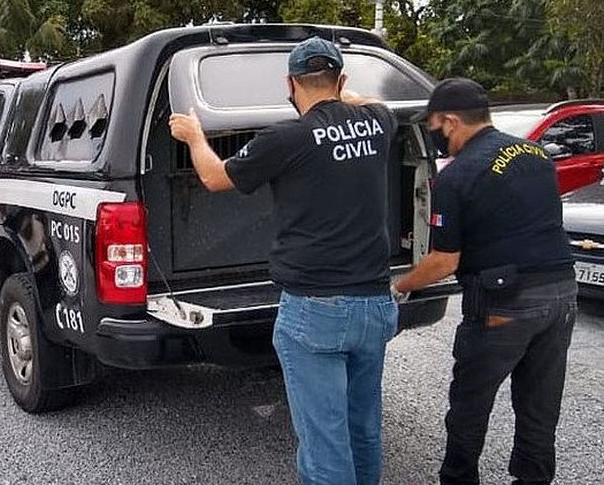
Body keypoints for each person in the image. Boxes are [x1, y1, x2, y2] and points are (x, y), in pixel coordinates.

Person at [169, 37, 399, 485]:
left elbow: (215, 178)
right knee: (363, 429)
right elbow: (370, 102)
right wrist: (340, 98)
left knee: (324, 443)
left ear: (289, 84)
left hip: (316, 311)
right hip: (375, 304)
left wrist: (195, 137)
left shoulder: (284, 138)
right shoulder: (378, 122)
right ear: (342, 79)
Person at [391, 78, 577, 485]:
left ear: (452, 121)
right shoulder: (537, 154)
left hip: (503, 301)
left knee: (469, 407)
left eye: (436, 126)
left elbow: (443, 261)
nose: (435, 135)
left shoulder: (457, 178)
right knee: (539, 409)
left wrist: (400, 285)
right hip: (562, 293)